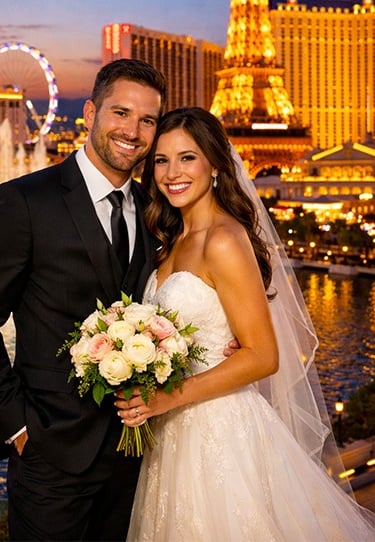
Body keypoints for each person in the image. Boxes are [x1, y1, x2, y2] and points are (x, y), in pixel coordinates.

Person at [116, 106, 375, 541]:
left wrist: (165, 396)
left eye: (187, 157)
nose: (171, 172)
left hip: (218, 433)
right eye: (161, 160)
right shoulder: (170, 240)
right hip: (171, 439)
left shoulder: (223, 239)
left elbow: (264, 356)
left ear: (216, 163)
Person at [0, 58, 167, 541]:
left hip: (136, 457)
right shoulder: (26, 201)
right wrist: (18, 428)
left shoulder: (157, 210)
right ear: (91, 113)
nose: (132, 131)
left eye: (147, 120)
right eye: (120, 113)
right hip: (51, 455)